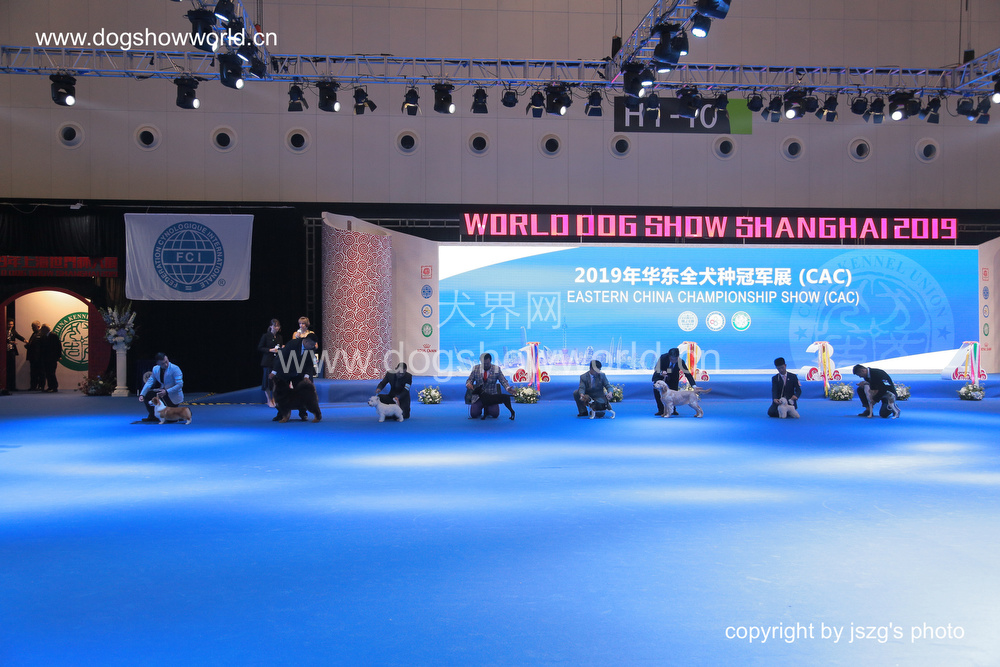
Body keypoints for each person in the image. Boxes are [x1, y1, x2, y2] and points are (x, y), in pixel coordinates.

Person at [465, 353, 513, 419]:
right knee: (474, 414)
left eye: (487, 363)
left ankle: (488, 409)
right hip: (478, 397)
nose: (485, 365)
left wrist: (507, 388)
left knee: (495, 414)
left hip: (492, 397)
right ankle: (482, 409)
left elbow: (503, 380)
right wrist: (468, 384)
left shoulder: (496, 369)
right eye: (483, 364)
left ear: (490, 361)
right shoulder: (475, 368)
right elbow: (470, 379)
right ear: (481, 361)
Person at [139, 353, 185, 422]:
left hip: (173, 396)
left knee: (170, 420)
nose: (166, 364)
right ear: (158, 363)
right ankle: (153, 416)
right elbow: (149, 382)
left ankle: (177, 416)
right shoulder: (155, 369)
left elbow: (180, 385)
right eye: (163, 363)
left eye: (166, 361)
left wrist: (166, 391)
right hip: (162, 393)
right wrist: (142, 394)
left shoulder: (175, 368)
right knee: (148, 394)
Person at [652, 347, 696, 416]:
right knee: (657, 391)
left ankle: (673, 410)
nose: (674, 361)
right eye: (672, 359)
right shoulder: (663, 357)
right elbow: (656, 368)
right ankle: (661, 410)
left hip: (673, 378)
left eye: (675, 359)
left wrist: (694, 386)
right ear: (669, 356)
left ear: (678, 357)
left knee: (674, 393)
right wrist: (661, 372)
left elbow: (687, 374)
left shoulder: (681, 362)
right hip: (660, 376)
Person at [257, 319, 283, 408]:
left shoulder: (279, 337)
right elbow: (260, 347)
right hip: (267, 361)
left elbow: (280, 347)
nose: (276, 328)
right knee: (268, 381)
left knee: (276, 381)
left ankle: (274, 399)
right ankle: (268, 399)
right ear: (271, 326)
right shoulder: (265, 336)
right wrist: (270, 350)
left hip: (276, 361)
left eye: (278, 326)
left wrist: (281, 349)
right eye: (275, 326)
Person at [38, 323, 62, 392]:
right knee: (48, 373)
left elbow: (58, 346)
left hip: (52, 358)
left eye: (42, 329)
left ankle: (54, 387)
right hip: (46, 358)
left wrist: (58, 356)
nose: (41, 330)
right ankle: (50, 386)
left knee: (51, 372)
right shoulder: (44, 336)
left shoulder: (53, 335)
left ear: (45, 329)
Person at [6, 319, 26, 392]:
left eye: (12, 324)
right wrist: (10, 342)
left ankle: (12, 386)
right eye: (9, 324)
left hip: (12, 351)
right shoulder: (3, 331)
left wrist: (25, 340)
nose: (10, 326)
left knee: (12, 369)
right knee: (6, 369)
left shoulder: (13, 331)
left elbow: (18, 336)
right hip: (5, 352)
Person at [25, 320, 43, 391]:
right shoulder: (34, 334)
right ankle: (33, 386)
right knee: (33, 373)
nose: (32, 328)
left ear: (38, 326)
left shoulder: (41, 334)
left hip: (39, 357)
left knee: (40, 372)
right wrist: (28, 345)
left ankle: (40, 386)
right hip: (33, 357)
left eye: (33, 327)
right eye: (32, 327)